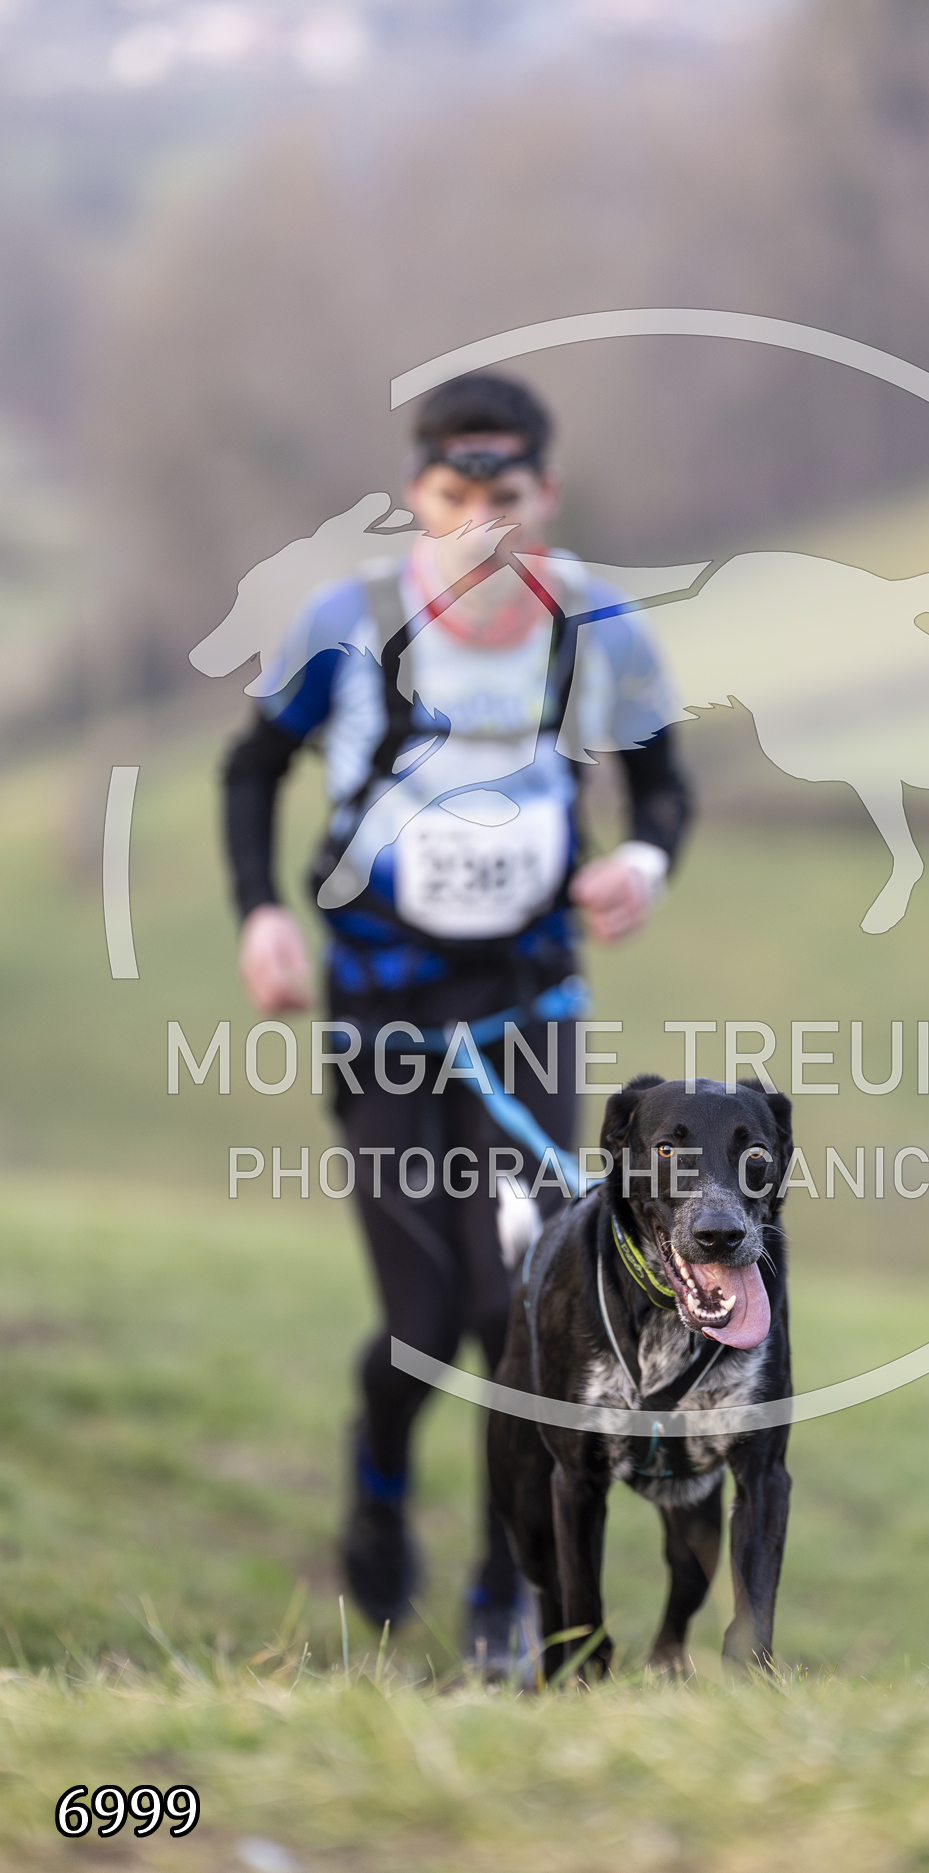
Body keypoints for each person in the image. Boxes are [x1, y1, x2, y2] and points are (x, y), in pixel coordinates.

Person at [221, 372, 690, 1660]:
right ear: (417, 498)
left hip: (528, 1006)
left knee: (517, 1312)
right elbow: (253, 768)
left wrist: (644, 864)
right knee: (423, 1323)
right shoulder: (348, 625)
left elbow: (663, 786)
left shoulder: (599, 626)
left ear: (546, 494)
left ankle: (506, 1580)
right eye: (453, 496)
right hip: (381, 1009)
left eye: (506, 496)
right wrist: (260, 914)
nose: (482, 522)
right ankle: (378, 1480)